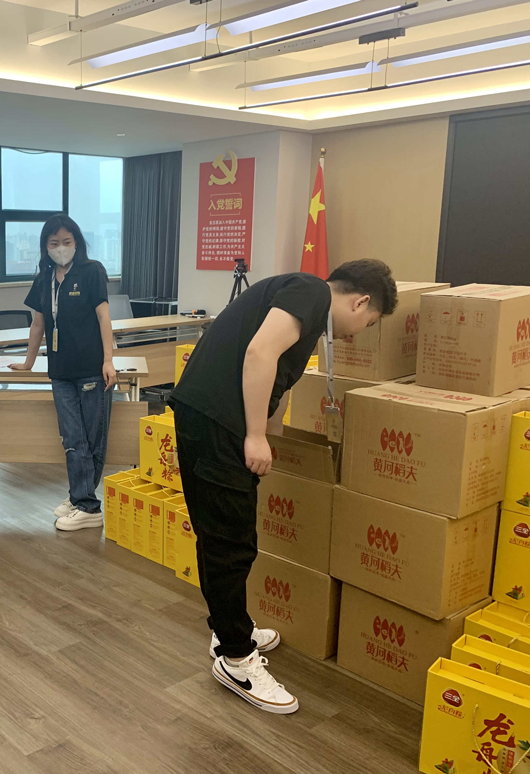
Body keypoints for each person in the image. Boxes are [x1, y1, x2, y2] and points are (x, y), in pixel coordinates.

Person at [169, 260, 398, 714]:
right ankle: (236, 659)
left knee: (227, 536)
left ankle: (230, 628)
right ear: (360, 301)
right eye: (369, 322)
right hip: (218, 424)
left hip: (215, 420)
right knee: (230, 542)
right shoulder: (311, 291)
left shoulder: (306, 310)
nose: (359, 333)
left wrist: (268, 434)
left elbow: (276, 376)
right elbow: (260, 354)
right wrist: (255, 435)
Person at [11, 215, 117, 531]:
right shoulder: (44, 278)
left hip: (91, 369)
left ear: (77, 242)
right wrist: (29, 362)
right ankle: (81, 497)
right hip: (60, 371)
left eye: (67, 242)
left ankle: (87, 505)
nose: (61, 248)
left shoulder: (91, 271)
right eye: (54, 243)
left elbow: (104, 317)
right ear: (45, 246)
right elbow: (38, 324)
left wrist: (108, 360)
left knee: (91, 439)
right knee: (72, 438)